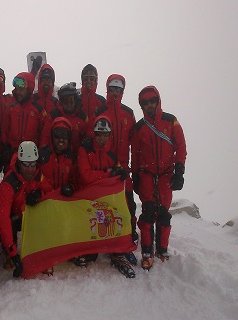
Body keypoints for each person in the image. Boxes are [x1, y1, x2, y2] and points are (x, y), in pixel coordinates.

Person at [131, 85, 187, 271]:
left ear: (158, 100)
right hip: (147, 175)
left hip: (166, 175)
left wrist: (180, 170)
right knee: (148, 213)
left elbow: (181, 146)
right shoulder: (139, 127)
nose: (149, 105)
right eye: (145, 102)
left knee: (163, 214)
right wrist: (136, 176)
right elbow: (136, 155)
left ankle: (162, 250)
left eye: (152, 101)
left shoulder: (171, 121)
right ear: (141, 105)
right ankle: (147, 251)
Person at [76, 116, 135, 278]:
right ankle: (88, 249)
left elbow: (116, 171)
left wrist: (119, 174)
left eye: (105, 135)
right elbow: (86, 176)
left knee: (120, 213)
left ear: (110, 136)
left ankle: (118, 248)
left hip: (103, 198)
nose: (102, 139)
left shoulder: (111, 154)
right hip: (86, 197)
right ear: (94, 134)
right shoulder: (85, 149)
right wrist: (109, 174)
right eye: (99, 135)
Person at [94, 74, 138, 263]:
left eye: (118, 89)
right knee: (106, 206)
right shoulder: (100, 110)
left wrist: (134, 168)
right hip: (106, 167)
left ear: (123, 91)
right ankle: (107, 239)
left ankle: (127, 237)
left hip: (124, 169)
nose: (114, 92)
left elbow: (135, 143)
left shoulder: (128, 113)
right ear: (107, 88)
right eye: (112, 88)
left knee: (128, 204)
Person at [0, 141, 52, 277]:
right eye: (26, 164)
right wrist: (14, 254)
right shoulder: (8, 184)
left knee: (44, 215)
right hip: (13, 218)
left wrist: (40, 195)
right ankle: (8, 252)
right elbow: (2, 218)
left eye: (33, 164)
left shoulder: (37, 175)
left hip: (29, 217)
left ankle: (39, 252)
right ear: (19, 163)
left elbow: (51, 194)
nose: (30, 168)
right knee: (8, 226)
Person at [0, 72, 50, 169]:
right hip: (12, 156)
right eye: (17, 88)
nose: (18, 92)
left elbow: (44, 134)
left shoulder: (38, 111)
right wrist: (5, 147)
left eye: (21, 89)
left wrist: (41, 150)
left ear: (29, 89)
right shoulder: (11, 109)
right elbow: (5, 130)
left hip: (31, 158)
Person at [48, 82, 88, 156]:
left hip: (77, 157)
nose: (69, 104)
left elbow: (87, 136)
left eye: (71, 101)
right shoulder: (54, 115)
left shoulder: (82, 116)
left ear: (75, 101)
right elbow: (46, 135)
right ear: (61, 102)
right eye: (66, 101)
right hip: (56, 156)